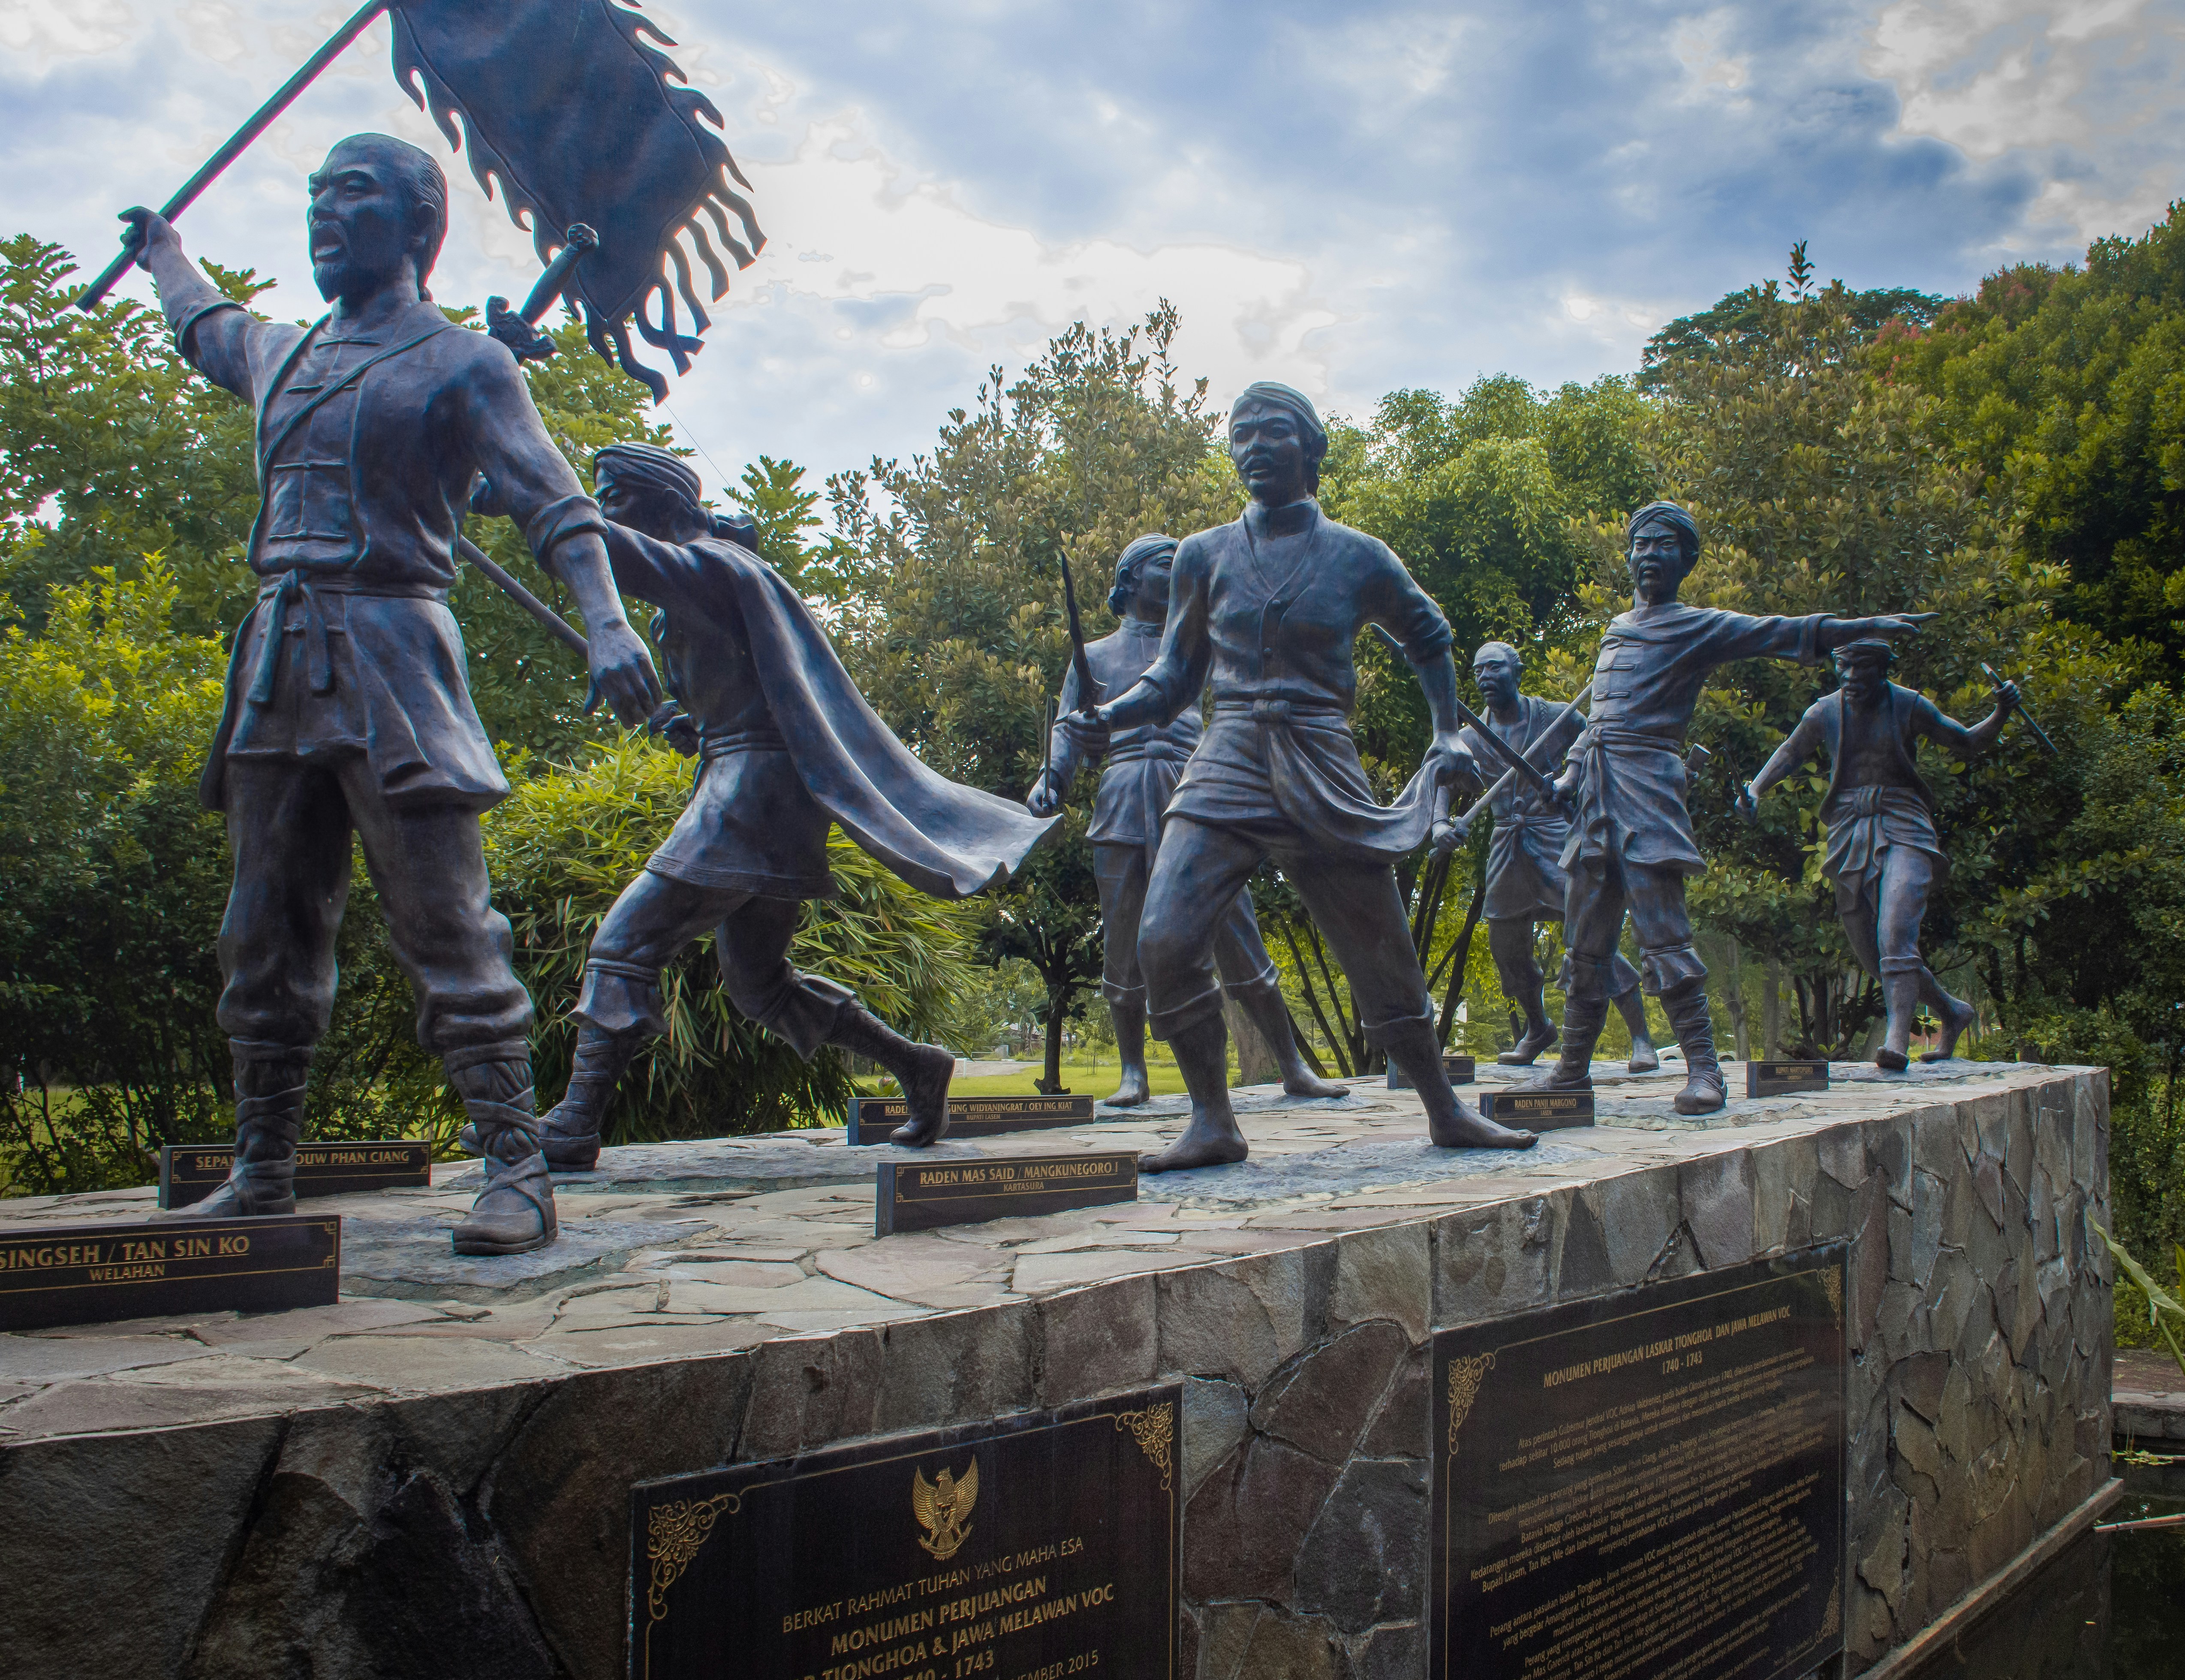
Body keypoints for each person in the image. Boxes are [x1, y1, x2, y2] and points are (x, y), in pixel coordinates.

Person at [119, 135, 663, 1255]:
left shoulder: (465, 364)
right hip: (278, 662)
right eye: (315, 193)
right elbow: (207, 326)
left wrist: (608, 622)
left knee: (445, 921)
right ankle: (262, 1168)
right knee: (261, 927)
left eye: (352, 192)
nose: (323, 211)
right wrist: (165, 252)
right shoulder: (283, 353)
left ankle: (516, 1167)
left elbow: (554, 500)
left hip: (395, 655)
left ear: (420, 225)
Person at [536, 444, 1057, 1160]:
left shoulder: (710, 566)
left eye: (614, 497)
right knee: (759, 984)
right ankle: (917, 1065)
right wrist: (696, 724)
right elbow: (746, 695)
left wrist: (535, 495)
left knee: (624, 944)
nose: (606, 511)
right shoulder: (712, 578)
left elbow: (606, 548)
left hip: (750, 795)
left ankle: (575, 1123)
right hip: (759, 790)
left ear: (663, 502)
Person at [1063, 383, 1537, 1170]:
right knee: (1163, 937)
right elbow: (1174, 677)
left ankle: (1445, 1110)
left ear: (1311, 448)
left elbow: (1429, 636)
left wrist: (1445, 729)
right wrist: (1108, 716)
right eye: (1241, 434)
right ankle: (1213, 1122)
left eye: (1272, 432)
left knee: (1382, 945)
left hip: (1321, 756)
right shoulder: (1203, 555)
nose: (1253, 446)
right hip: (1227, 756)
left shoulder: (1358, 555)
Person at [1535, 502, 1929, 1113]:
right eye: (1641, 544)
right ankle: (1570, 1072)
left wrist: (1863, 626)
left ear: (1687, 560)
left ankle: (1705, 1071)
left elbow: (1779, 632)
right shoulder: (1616, 628)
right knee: (1586, 940)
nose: (1648, 555)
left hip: (1647, 792)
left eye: (1664, 545)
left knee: (1663, 931)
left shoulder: (1698, 626)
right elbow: (1597, 723)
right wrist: (1568, 775)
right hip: (1595, 799)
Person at [1026, 533, 1345, 1107]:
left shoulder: (1198, 645)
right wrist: (1053, 778)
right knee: (1123, 938)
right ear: (1129, 580)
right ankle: (1133, 1072)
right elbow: (1067, 730)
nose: (1176, 573)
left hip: (1196, 789)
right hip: (1124, 796)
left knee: (1236, 928)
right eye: (1163, 564)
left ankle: (1293, 1064)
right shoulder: (1093, 657)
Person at [1737, 640, 2015, 1070]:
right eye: (1844, 668)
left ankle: (1897, 1040)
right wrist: (1755, 788)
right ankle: (1952, 1010)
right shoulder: (1824, 711)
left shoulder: (1908, 704)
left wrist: (2001, 712)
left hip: (1904, 822)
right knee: (1873, 955)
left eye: (1861, 669)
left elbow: (1965, 740)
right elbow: (1791, 752)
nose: (1850, 678)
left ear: (1883, 670)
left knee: (1895, 935)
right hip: (1850, 828)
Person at [1433, 642, 1659, 1072]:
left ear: (1517, 672)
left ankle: (1640, 1036)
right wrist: (1441, 823)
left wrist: (1571, 782)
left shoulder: (1557, 717)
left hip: (1555, 836)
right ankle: (1538, 1028)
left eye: (1494, 668)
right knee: (1506, 947)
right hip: (1507, 843)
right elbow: (1443, 779)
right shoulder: (1471, 737)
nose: (1484, 678)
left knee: (1590, 934)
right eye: (1478, 671)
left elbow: (1596, 746)